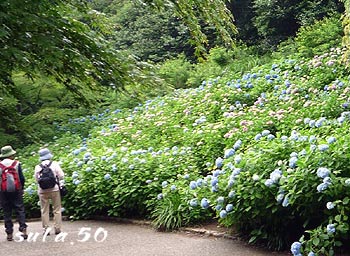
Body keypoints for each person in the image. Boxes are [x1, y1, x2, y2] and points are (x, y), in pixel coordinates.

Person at [0, 145, 28, 241]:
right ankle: (23, 229)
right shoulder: (16, 164)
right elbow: (22, 178)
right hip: (17, 190)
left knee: (7, 212)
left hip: (3, 192)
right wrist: (22, 188)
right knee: (20, 209)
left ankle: (9, 233)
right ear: (11, 154)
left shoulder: (0, 165)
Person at [34, 148, 64, 235]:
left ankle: (46, 229)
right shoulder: (54, 164)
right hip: (54, 189)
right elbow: (61, 175)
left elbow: (36, 179)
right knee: (57, 209)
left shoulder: (38, 167)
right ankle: (57, 228)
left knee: (44, 210)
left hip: (42, 191)